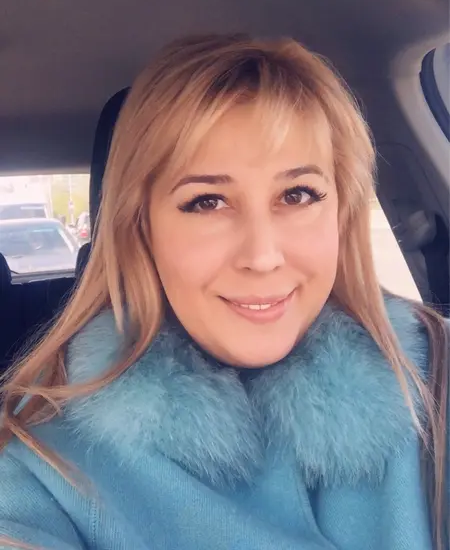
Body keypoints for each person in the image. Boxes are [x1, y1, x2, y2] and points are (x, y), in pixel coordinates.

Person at [0, 34, 448, 550]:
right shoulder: (46, 459)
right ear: (140, 228)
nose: (263, 256)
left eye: (297, 194)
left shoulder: (435, 375)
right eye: (207, 201)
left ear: (341, 214)